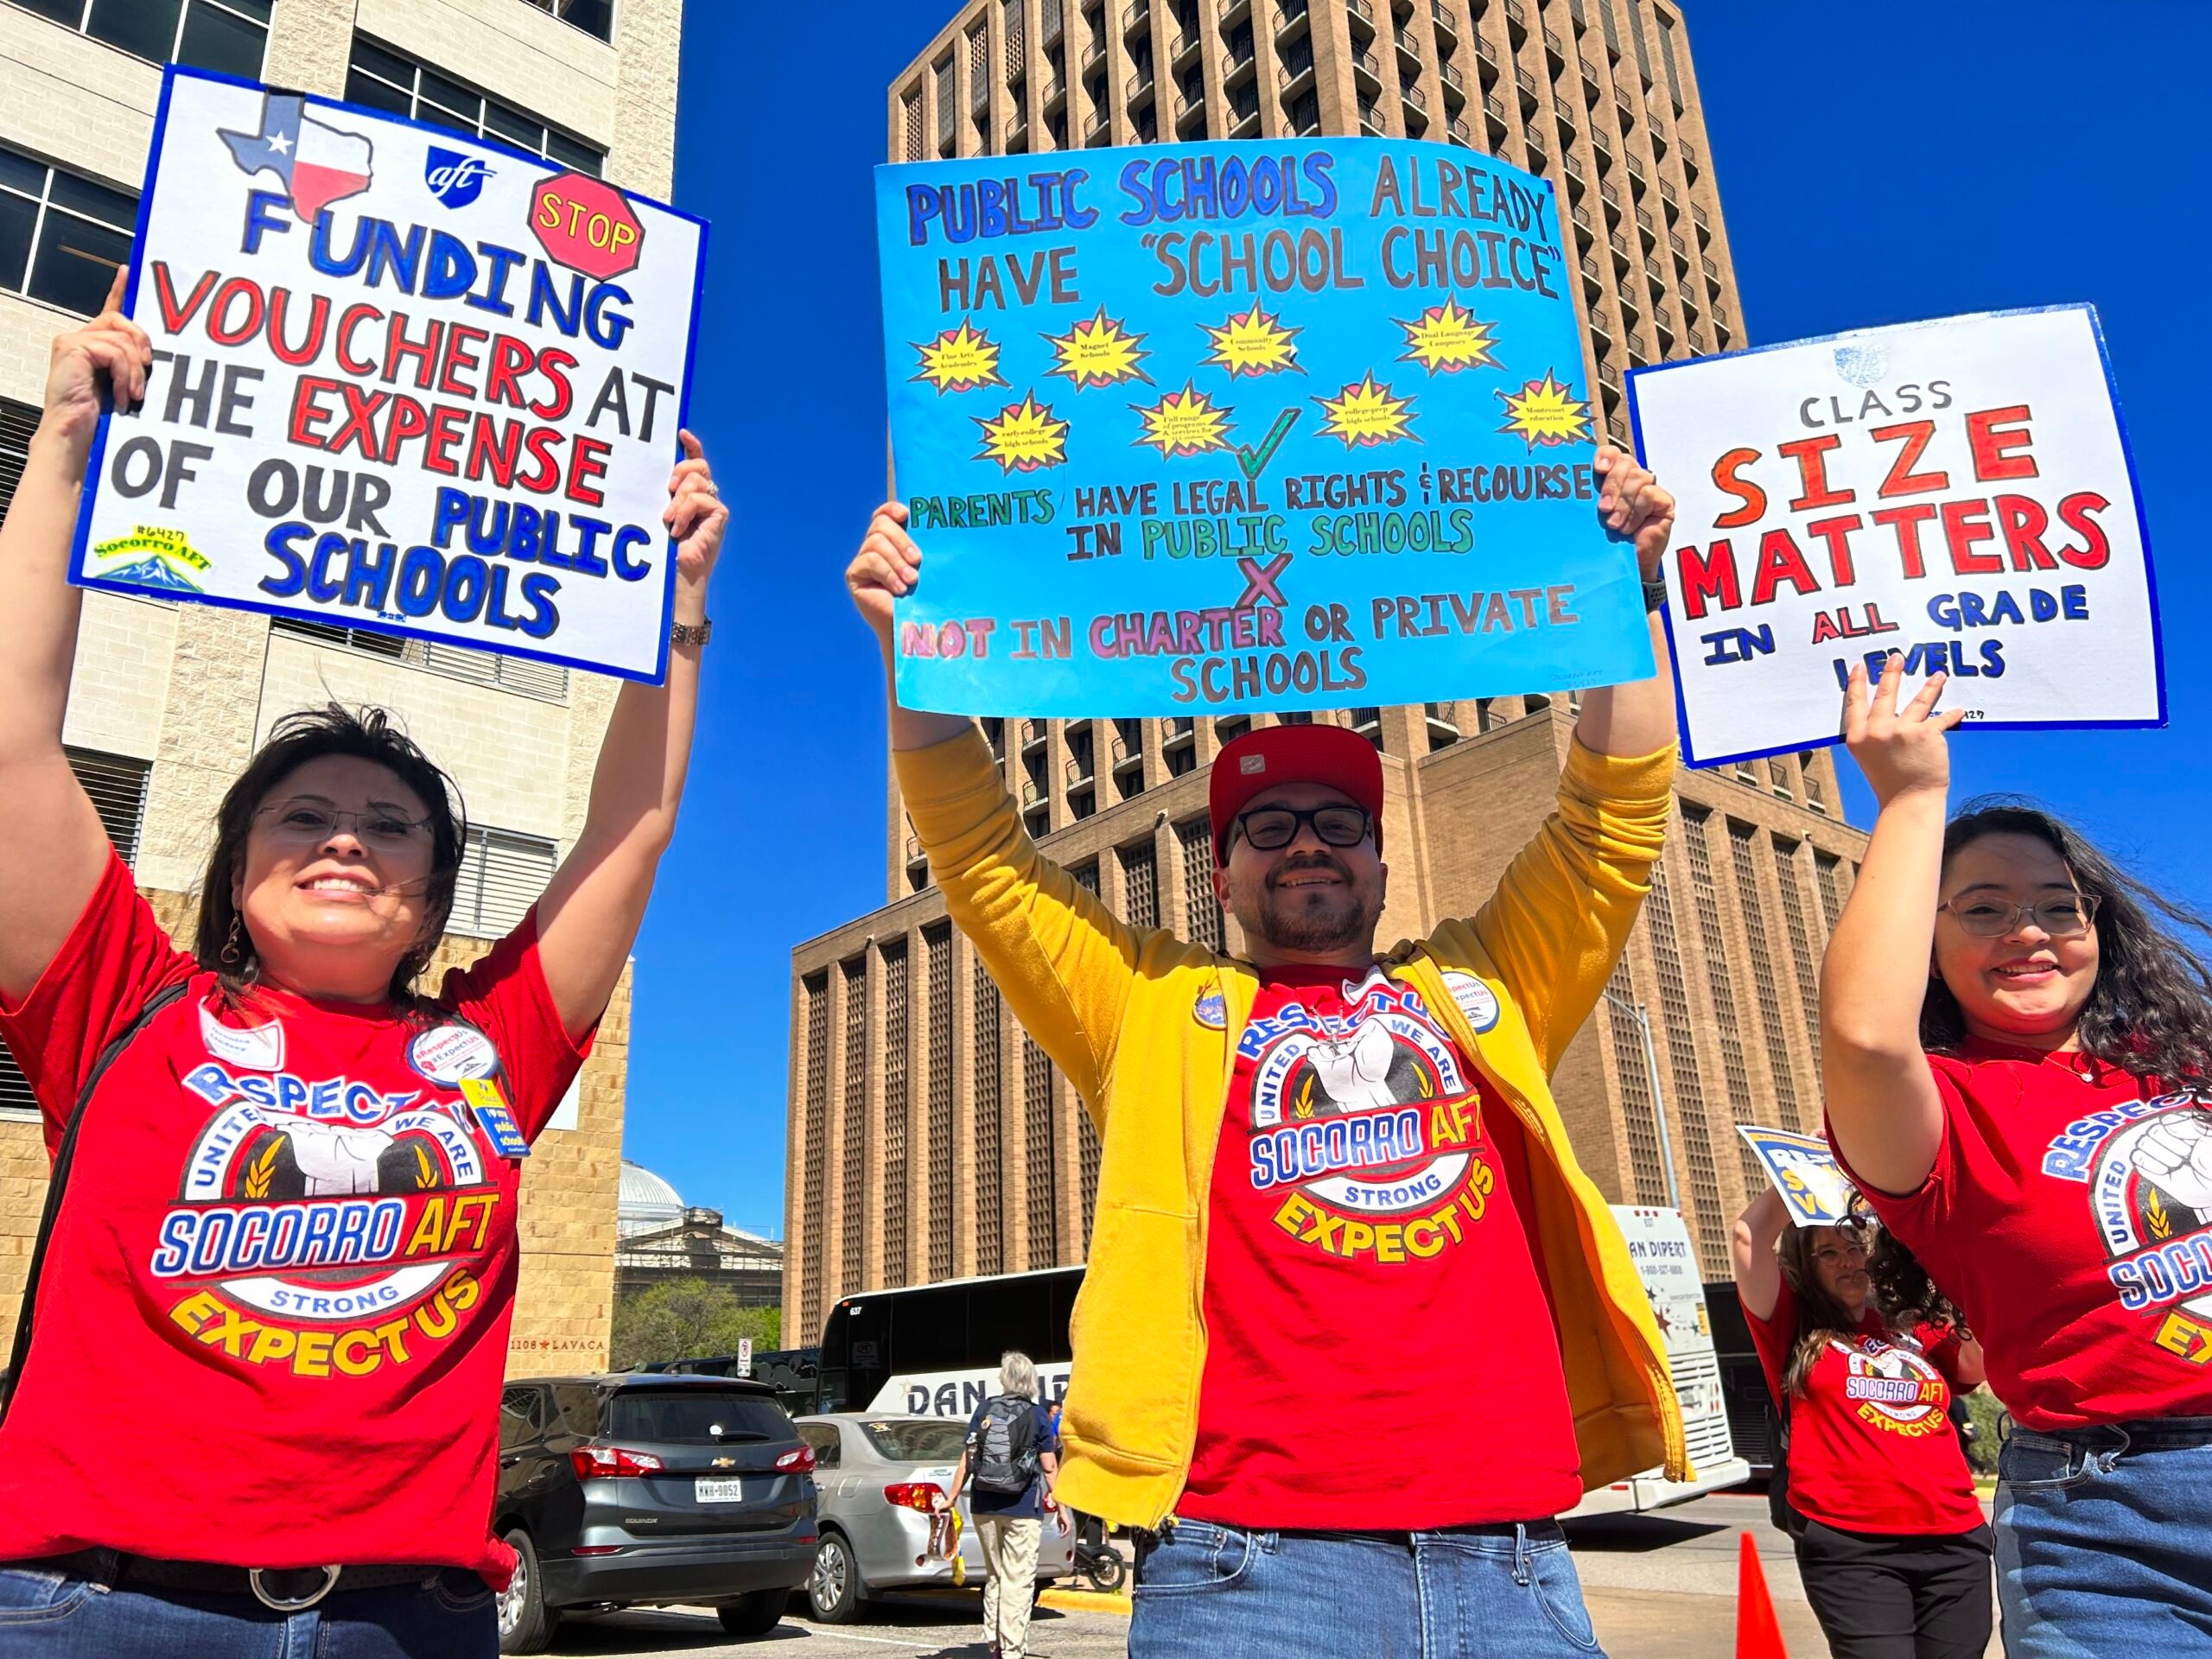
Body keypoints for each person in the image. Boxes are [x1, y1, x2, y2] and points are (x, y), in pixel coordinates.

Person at [845, 445, 1683, 1657]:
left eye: (1339, 824)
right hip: (1245, 1574)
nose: (1308, 847)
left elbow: (1611, 817)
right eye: (1270, 828)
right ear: (1222, 875)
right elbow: (983, 861)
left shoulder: (1482, 984)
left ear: (1381, 864)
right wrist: (908, 645)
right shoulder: (1149, 1005)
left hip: (1512, 1562)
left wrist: (1627, 596)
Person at [0, 277, 725, 1655]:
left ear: (435, 892)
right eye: (304, 817)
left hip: (411, 1621)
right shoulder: (121, 1007)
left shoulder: (497, 1048)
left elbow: (634, 827)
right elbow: (11, 747)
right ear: (236, 866)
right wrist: (64, 447)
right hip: (104, 1609)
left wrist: (671, 618)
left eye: (389, 827)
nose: (346, 842)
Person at [1821, 654, 2212, 1653]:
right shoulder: (1941, 1113)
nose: (2028, 932)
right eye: (1983, 907)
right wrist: (1912, 796)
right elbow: (1866, 1036)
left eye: (2055, 905)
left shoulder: (2183, 1069)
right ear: (1929, 941)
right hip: (2114, 1528)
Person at [1731, 1187, 1992, 1657]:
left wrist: (1961, 1287)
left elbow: (1974, 1365)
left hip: (1955, 1541)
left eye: (1853, 1247)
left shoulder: (1909, 1324)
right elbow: (1748, 1237)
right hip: (1854, 1549)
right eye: (1828, 1253)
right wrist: (1800, 1175)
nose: (1847, 1260)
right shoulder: (1791, 1327)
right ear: (1805, 1267)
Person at [936, 1352, 1064, 1659]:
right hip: (1022, 1508)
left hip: (984, 1505)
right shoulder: (1036, 1415)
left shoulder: (984, 1408)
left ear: (1005, 1378)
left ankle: (994, 1645)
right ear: (1031, 1380)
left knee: (994, 1575)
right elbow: (1049, 1467)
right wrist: (1061, 1507)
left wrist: (952, 1497)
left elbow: (967, 1457)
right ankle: (1012, 1650)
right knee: (1018, 1581)